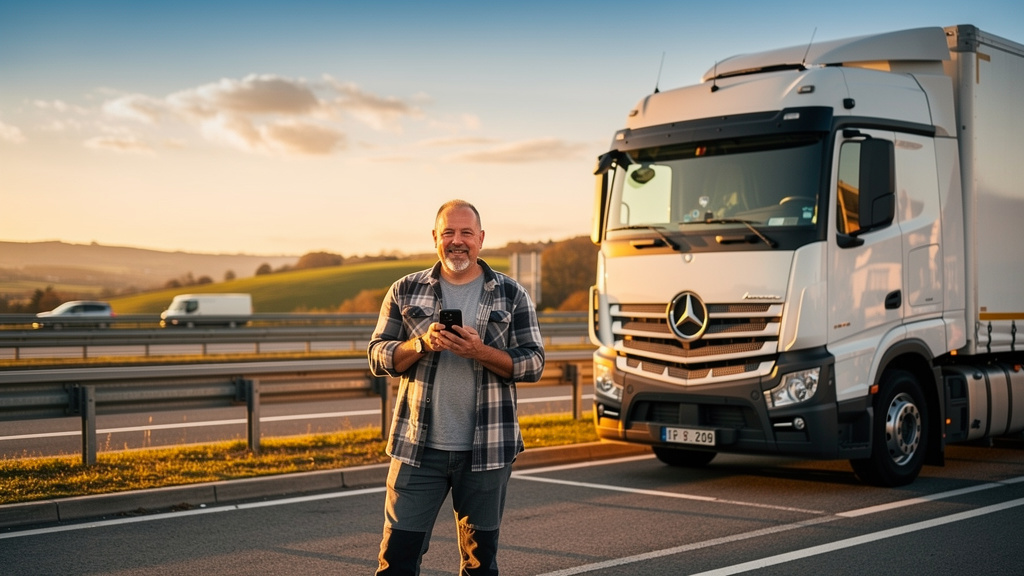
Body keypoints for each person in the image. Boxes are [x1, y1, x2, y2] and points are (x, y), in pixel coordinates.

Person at [368, 199, 546, 575]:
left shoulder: (512, 294)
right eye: (448, 232)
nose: (457, 241)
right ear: (435, 237)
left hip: (487, 451)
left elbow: (534, 363)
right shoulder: (405, 290)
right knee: (396, 561)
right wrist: (420, 344)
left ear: (481, 239)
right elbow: (377, 356)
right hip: (416, 449)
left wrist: (480, 351)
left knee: (480, 565)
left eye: (466, 232)